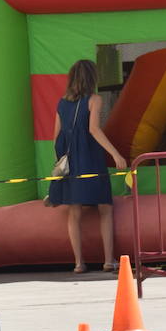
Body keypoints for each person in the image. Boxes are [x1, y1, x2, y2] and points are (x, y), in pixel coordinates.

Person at [46, 59, 129, 273]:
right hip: (91, 158)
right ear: (92, 78)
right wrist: (115, 154)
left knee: (75, 212)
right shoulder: (95, 100)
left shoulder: (61, 103)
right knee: (105, 208)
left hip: (71, 162)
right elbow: (94, 129)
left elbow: (55, 136)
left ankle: (78, 263)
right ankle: (108, 260)